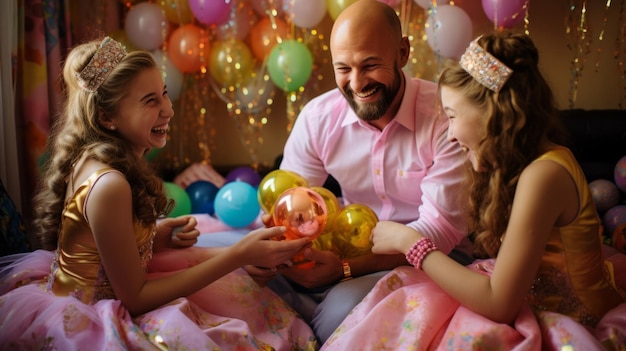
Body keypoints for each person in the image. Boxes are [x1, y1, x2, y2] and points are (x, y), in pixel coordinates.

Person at [0, 36, 317, 350]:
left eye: (164, 94)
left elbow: (100, 245)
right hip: (92, 318)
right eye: (150, 101)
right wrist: (238, 254)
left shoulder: (98, 157)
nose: (168, 110)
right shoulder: (109, 184)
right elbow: (135, 298)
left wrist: (154, 237)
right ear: (107, 118)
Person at [321, 31, 626, 350]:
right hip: (526, 300)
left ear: (493, 114)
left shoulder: (544, 175)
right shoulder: (523, 166)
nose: (450, 134)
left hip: (569, 321)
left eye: (452, 116)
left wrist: (410, 243)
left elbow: (499, 304)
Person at [245, 0, 472, 344]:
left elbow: (439, 231)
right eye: (344, 69)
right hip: (344, 254)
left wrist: (345, 270)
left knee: (342, 312)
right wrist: (284, 247)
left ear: (402, 52)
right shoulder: (319, 117)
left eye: (370, 65)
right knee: (239, 273)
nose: (356, 82)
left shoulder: (445, 118)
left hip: (433, 258)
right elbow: (291, 203)